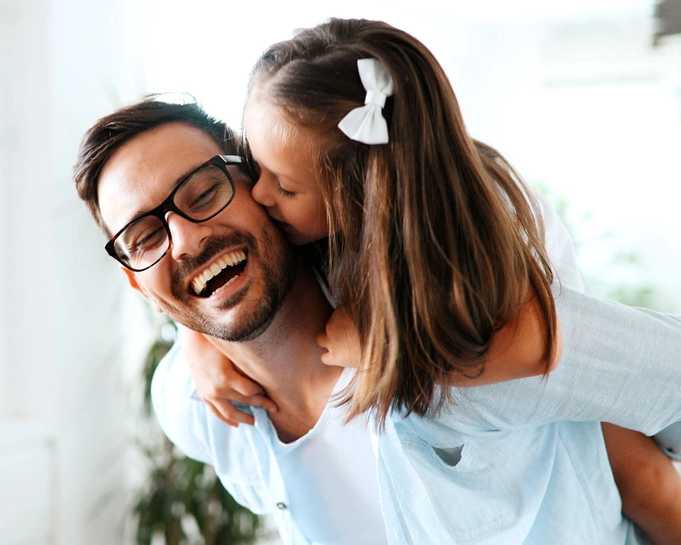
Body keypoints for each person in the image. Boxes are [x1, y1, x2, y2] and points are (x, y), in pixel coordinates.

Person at [73, 98, 679, 543]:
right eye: (145, 236)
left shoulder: (454, 344)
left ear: (262, 186)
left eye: (204, 193)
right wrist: (194, 334)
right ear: (138, 285)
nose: (184, 240)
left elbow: (658, 418)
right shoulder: (197, 411)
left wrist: (417, 349)